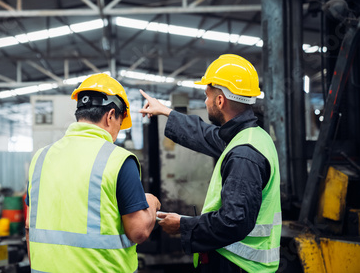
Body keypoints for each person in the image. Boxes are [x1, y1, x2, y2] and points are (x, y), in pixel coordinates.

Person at [140, 54, 281, 273]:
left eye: (207, 96)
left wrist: (183, 225)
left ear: (220, 100)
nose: (205, 102)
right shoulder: (252, 136)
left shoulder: (244, 154)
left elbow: (234, 222)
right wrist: (165, 111)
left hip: (237, 265)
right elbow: (206, 135)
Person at [25, 73, 161, 272]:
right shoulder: (118, 160)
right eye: (119, 124)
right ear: (110, 116)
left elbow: (30, 227)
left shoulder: (41, 158)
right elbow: (138, 231)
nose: (117, 133)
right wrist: (151, 202)